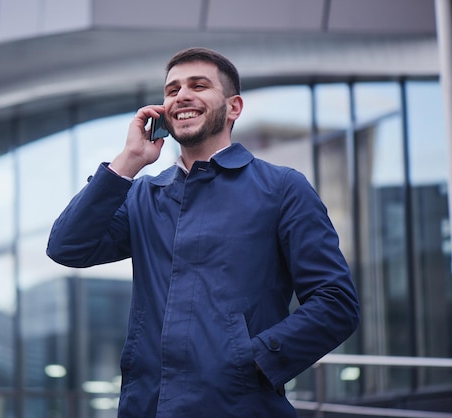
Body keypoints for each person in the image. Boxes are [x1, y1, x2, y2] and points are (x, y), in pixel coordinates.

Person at [47, 47, 360, 417]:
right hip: (146, 408)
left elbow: (335, 302)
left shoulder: (282, 189)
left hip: (240, 408)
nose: (182, 96)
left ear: (233, 107)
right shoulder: (145, 195)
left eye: (199, 85)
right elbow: (67, 246)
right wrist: (128, 162)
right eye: (172, 90)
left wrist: (251, 361)